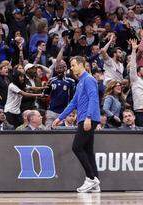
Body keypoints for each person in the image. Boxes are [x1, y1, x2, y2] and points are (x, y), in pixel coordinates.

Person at [53, 56, 101, 193]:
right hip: (84, 118)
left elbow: (93, 99)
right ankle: (95, 182)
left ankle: (91, 178)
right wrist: (60, 118)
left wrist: (88, 117)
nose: (71, 68)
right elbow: (73, 103)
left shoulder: (89, 79)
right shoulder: (80, 82)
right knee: (88, 151)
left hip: (88, 118)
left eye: (73, 65)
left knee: (77, 147)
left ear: (81, 65)